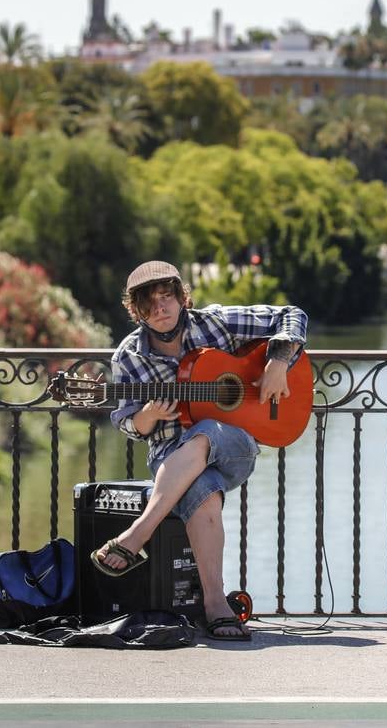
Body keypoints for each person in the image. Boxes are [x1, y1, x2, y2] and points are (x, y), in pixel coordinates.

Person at [96, 260, 308, 642]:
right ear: (136, 310)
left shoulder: (214, 323)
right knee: (201, 491)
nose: (161, 309)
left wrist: (278, 362)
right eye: (149, 303)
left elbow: (291, 314)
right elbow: (127, 423)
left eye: (167, 297)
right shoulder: (129, 355)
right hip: (170, 460)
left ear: (181, 297)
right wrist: (145, 417)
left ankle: (138, 534)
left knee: (208, 429)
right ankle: (215, 606)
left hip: (235, 445)